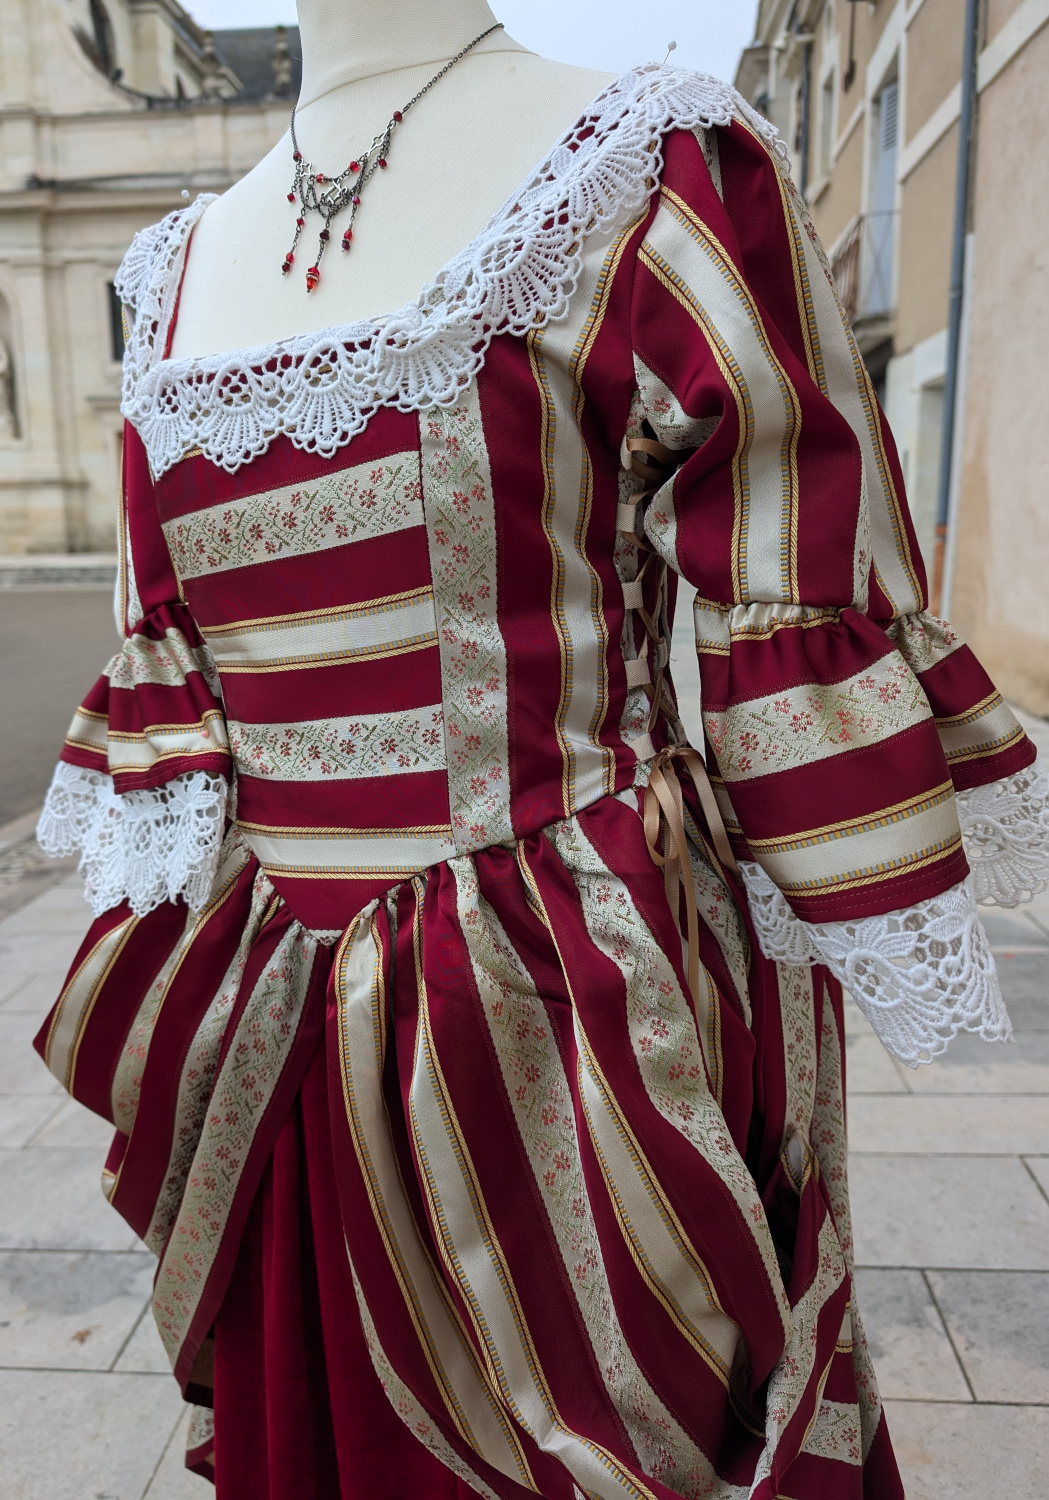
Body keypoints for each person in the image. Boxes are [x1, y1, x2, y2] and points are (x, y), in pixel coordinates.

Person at [34, 2, 1049, 1495]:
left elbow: (788, 566)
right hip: (269, 1016)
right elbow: (168, 661)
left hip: (553, 1007)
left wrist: (845, 880)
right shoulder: (173, 273)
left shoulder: (649, 169)